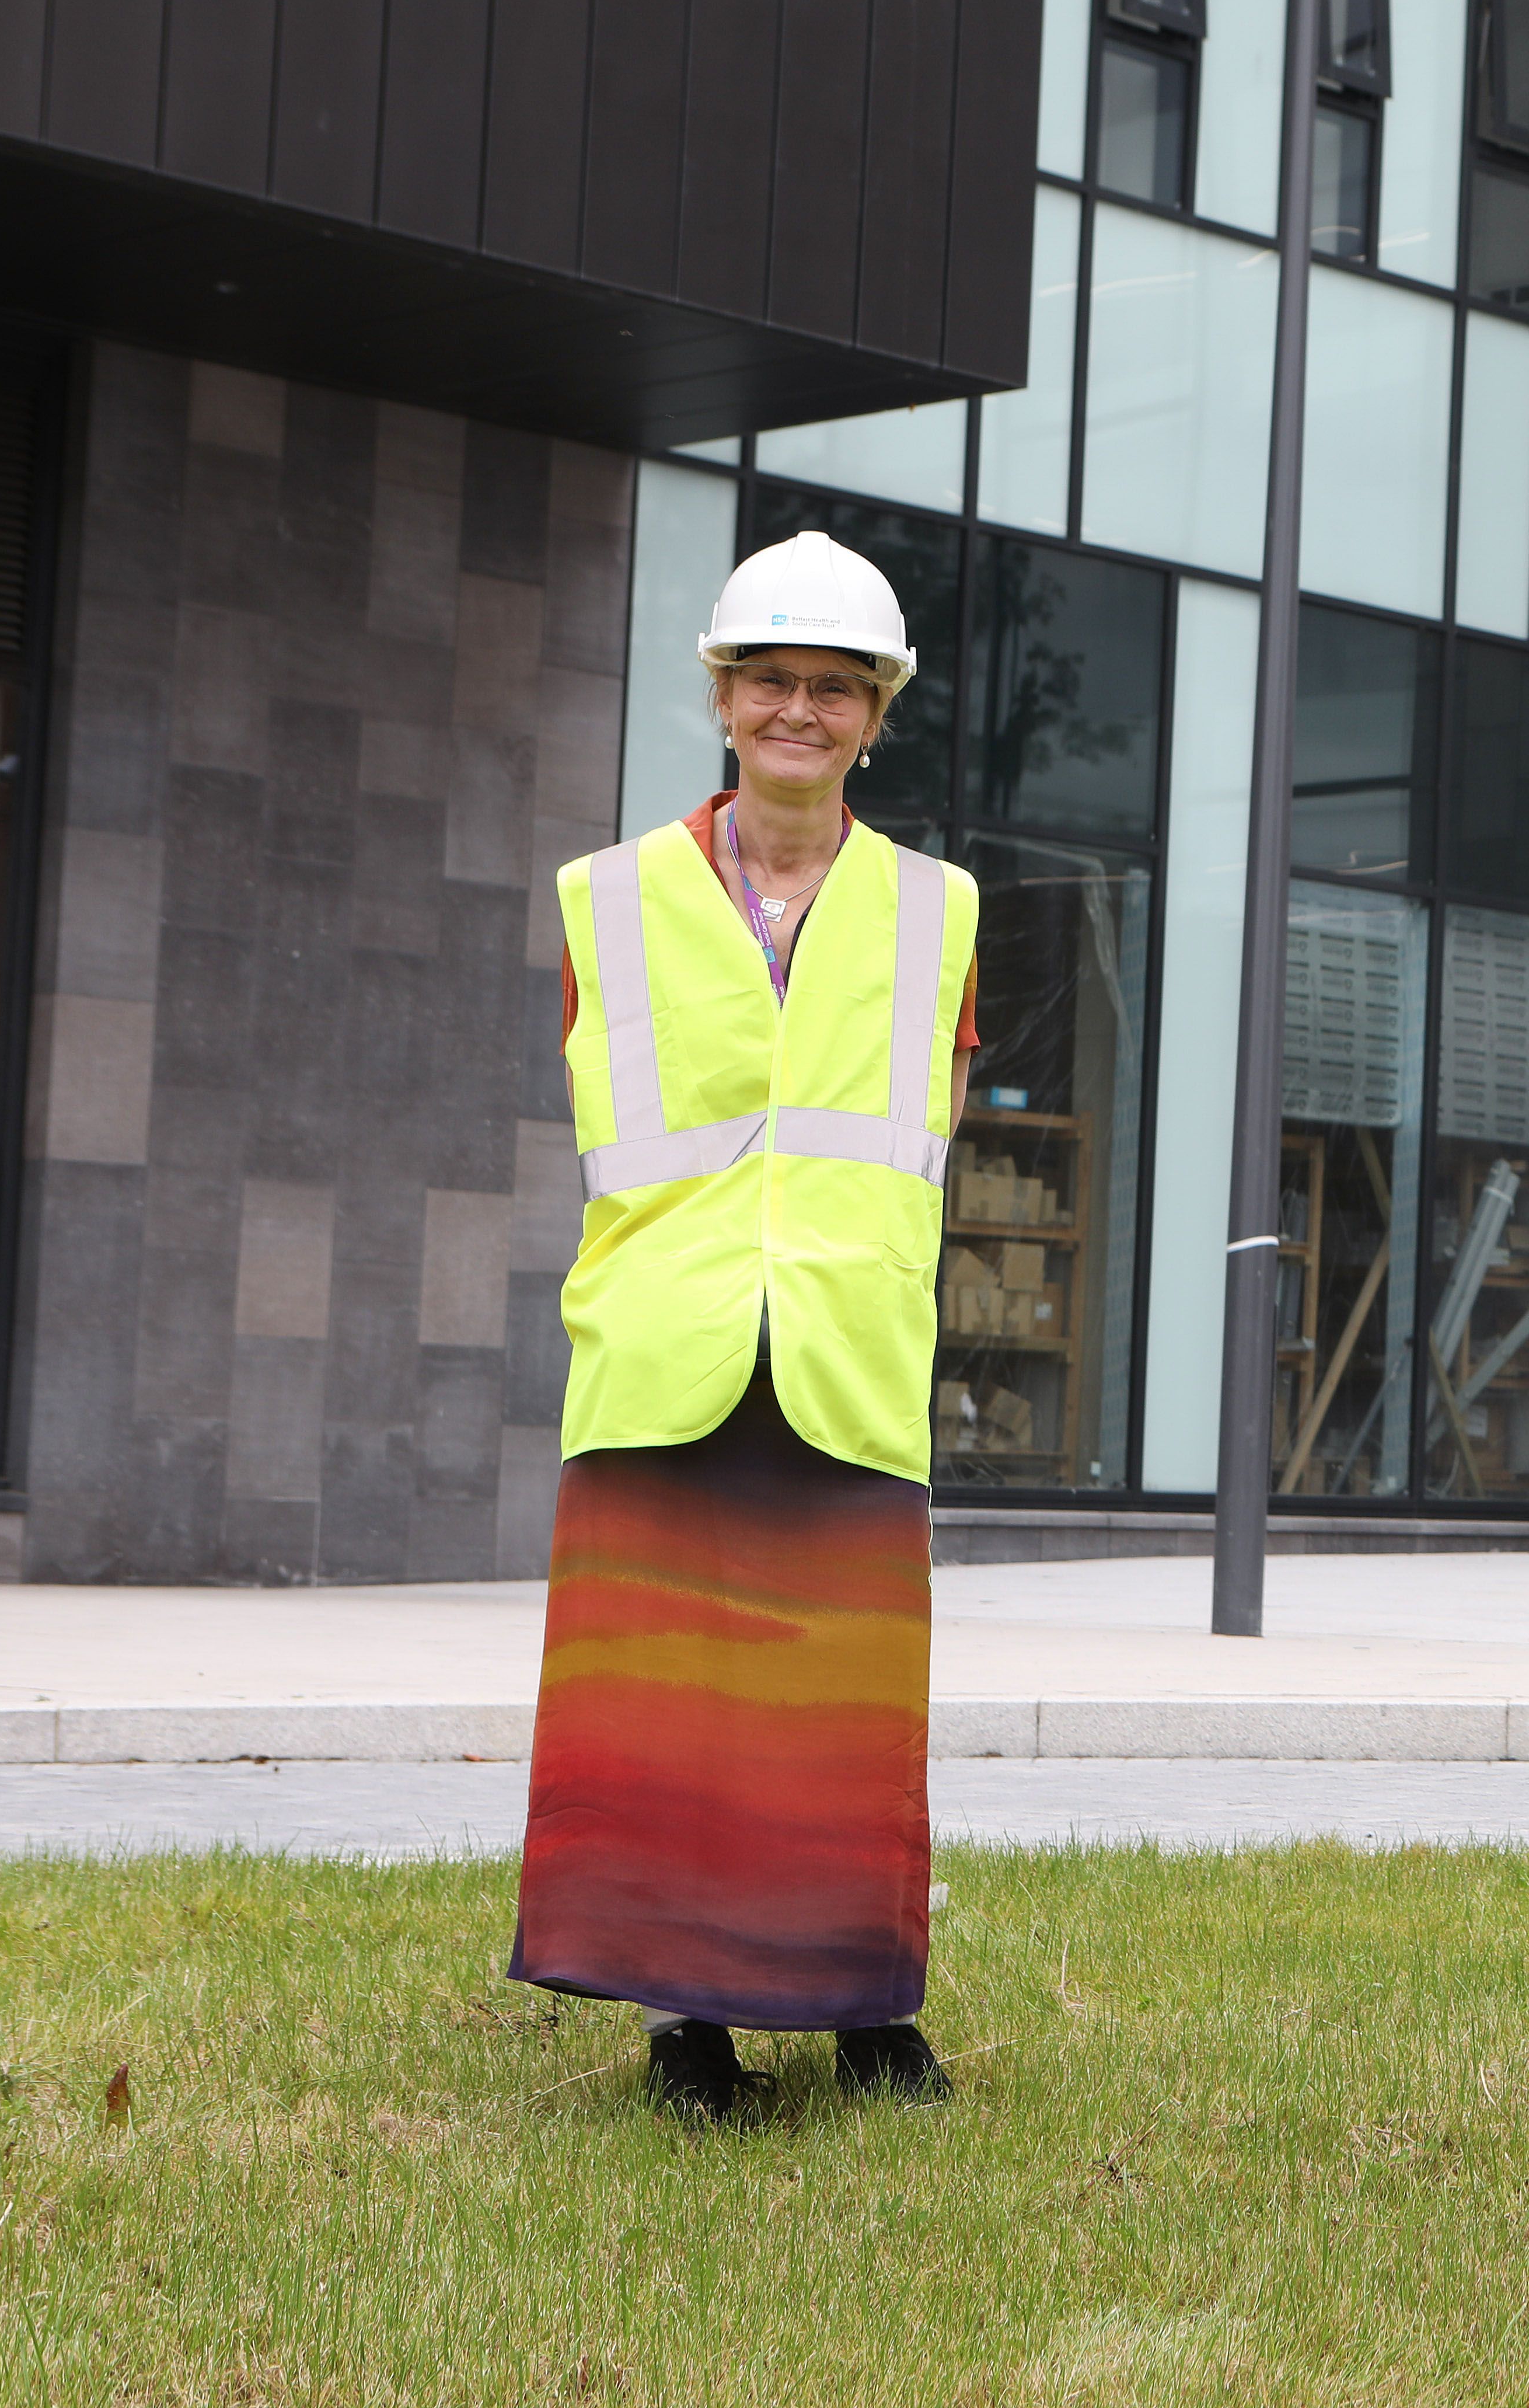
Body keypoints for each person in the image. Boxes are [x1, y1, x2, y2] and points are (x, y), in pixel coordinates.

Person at [507, 531, 982, 2122]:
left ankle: (864, 2011)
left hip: (845, 1356)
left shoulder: (943, 910)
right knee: (670, 1715)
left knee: (849, 1719)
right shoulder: (603, 898)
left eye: (834, 687)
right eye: (771, 679)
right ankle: (686, 2025)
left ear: (876, 713)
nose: (800, 709)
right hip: (662, 1353)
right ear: (722, 696)